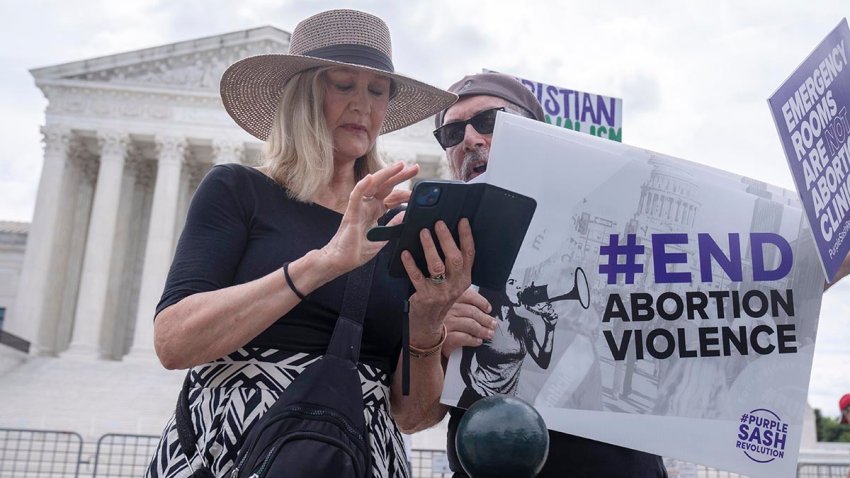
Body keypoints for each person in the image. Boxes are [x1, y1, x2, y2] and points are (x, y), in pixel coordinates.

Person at [145, 10, 474, 478]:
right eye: (344, 84)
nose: (363, 104)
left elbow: (412, 416)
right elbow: (173, 343)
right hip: (232, 451)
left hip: (359, 456)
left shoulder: (397, 223)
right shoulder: (238, 190)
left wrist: (428, 324)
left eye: (377, 91)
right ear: (302, 96)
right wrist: (323, 263)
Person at [431, 72, 668, 477]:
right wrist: (432, 340)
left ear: (537, 137)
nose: (470, 138)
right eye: (452, 132)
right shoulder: (435, 254)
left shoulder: (609, 234)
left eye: (490, 122)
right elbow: (413, 415)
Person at [457, 276, 558, 409]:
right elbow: (465, 366)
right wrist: (476, 389)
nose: (518, 287)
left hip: (507, 406)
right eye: (511, 282)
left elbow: (543, 361)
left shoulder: (525, 325)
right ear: (498, 289)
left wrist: (550, 328)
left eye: (519, 283)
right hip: (476, 401)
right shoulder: (482, 321)